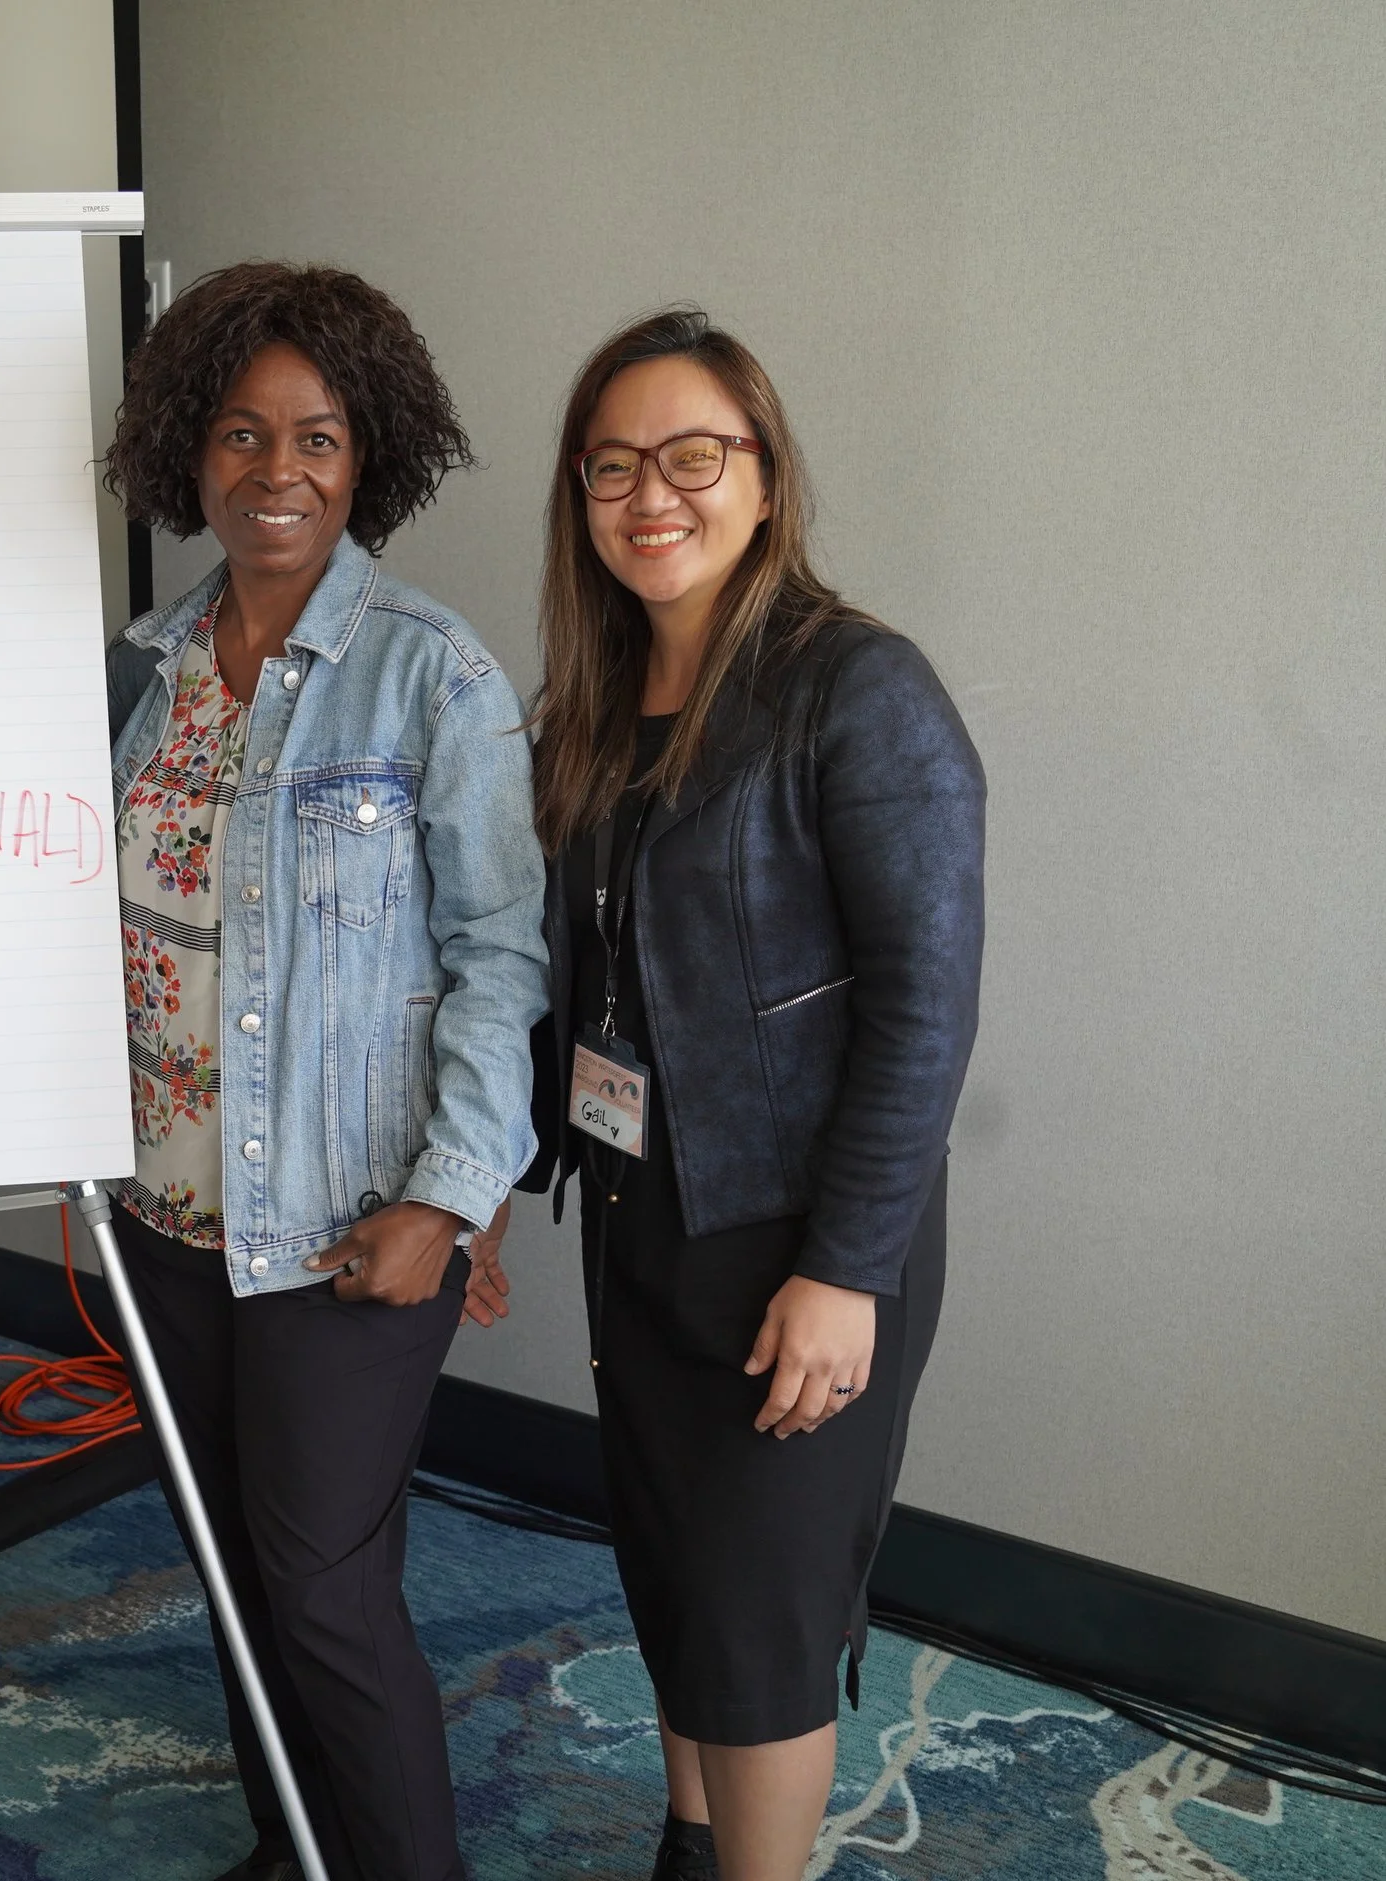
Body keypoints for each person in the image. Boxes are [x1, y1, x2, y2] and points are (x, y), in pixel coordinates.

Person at [471, 307, 983, 1881]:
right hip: (641, 1227)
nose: (652, 496)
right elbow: (576, 991)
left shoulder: (859, 691)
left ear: (765, 478)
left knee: (759, 1620)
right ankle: (691, 1853)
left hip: (798, 1241)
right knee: (678, 1576)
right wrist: (487, 1186)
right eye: (612, 465)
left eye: (694, 456)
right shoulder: (591, 711)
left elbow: (925, 1005)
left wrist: (845, 1271)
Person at [99, 262, 548, 1881]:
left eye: (318, 437)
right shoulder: (142, 671)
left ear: (372, 458)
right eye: (237, 434)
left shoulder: (433, 672)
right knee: (234, 1567)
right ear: (187, 451)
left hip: (352, 1225)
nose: (274, 474)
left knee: (326, 1586)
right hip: (164, 1213)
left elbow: (506, 954)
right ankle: (301, 1848)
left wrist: (451, 1198)